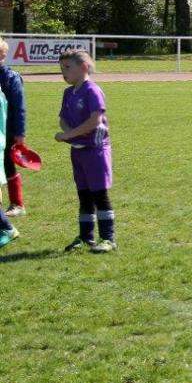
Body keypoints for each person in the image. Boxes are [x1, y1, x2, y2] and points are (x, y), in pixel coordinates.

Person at [55, 49, 115, 253]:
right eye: (61, 68)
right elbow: (63, 118)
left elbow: (95, 121)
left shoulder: (92, 91)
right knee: (84, 195)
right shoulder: (68, 93)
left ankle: (108, 238)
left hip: (95, 151)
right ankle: (86, 236)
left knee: (99, 194)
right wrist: (68, 133)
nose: (63, 72)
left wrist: (68, 135)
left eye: (67, 67)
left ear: (84, 67)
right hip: (78, 151)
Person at [0, 40, 28, 217]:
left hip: (7, 130)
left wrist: (19, 133)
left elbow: (19, 107)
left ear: (2, 55)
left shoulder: (11, 78)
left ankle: (17, 204)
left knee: (8, 164)